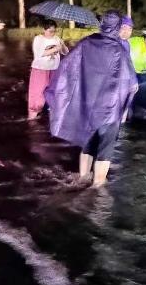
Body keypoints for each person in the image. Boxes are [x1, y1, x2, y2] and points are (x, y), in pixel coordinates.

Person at [44, 10, 137, 187]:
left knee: (87, 143)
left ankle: (83, 177)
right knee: (105, 149)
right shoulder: (119, 49)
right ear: (117, 28)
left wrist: (57, 97)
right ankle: (97, 188)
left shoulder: (86, 43)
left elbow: (66, 68)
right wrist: (125, 109)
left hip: (86, 105)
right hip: (110, 109)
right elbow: (131, 83)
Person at [27, 20, 68, 120]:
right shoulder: (38, 39)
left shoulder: (57, 38)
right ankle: (32, 115)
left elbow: (65, 52)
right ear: (44, 30)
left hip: (54, 69)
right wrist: (55, 49)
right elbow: (39, 54)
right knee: (38, 93)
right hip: (40, 69)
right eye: (50, 31)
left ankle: (52, 112)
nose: (52, 33)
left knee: (53, 91)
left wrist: (62, 45)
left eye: (54, 31)